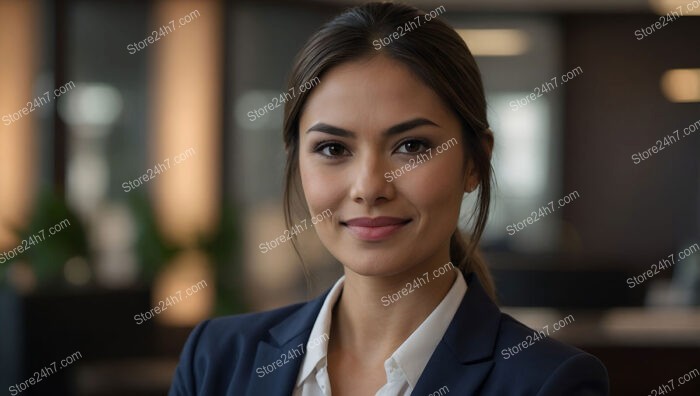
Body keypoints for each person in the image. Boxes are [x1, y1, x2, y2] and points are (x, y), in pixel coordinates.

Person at [168, 2, 609, 395]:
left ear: (474, 162)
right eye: (333, 149)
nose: (369, 187)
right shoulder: (216, 361)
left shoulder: (548, 382)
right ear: (296, 162)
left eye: (412, 146)